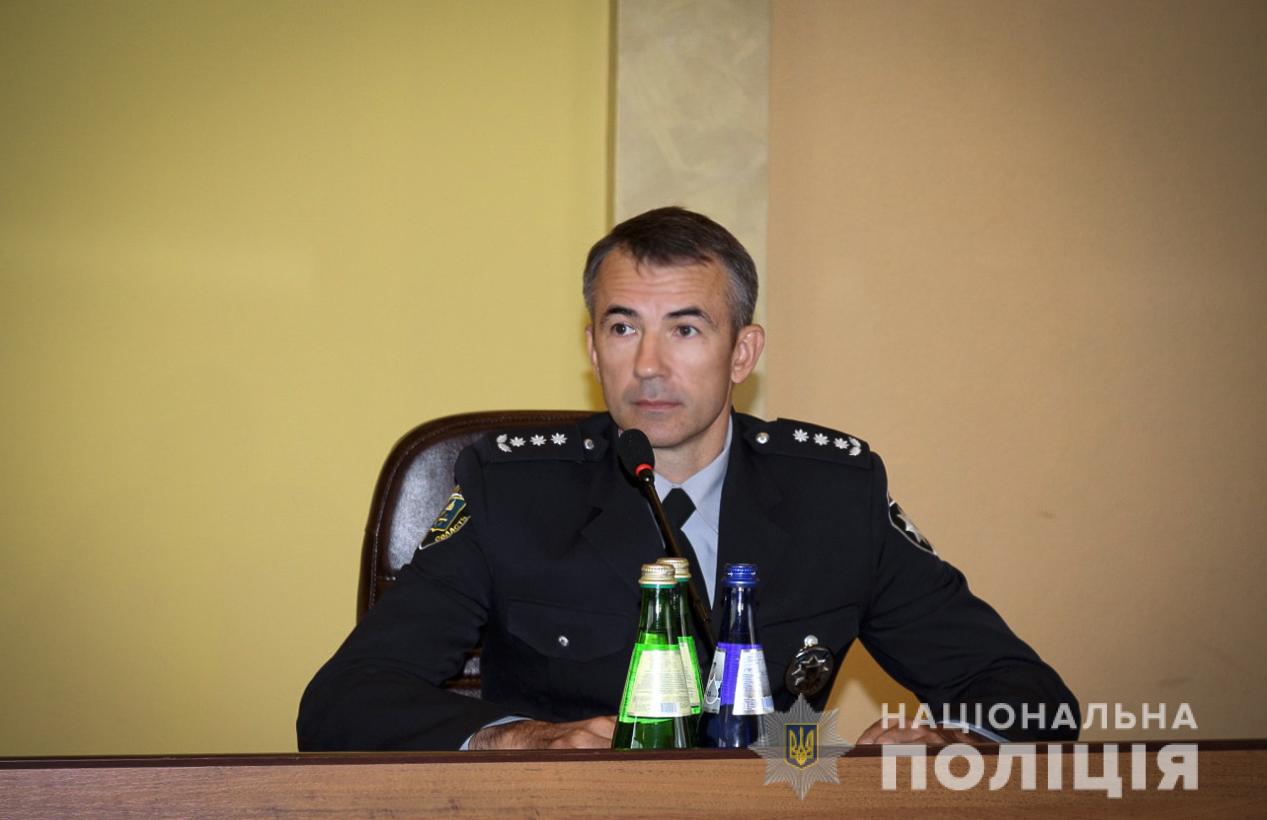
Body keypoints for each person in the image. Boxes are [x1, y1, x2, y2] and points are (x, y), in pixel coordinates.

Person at [298, 207, 1079, 751]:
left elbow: (1027, 694)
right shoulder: (514, 491)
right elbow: (344, 701)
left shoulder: (832, 496)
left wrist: (953, 738)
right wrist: (515, 740)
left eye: (685, 329)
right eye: (623, 327)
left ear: (742, 353)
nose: (648, 365)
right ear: (593, 349)